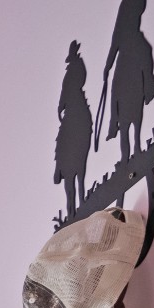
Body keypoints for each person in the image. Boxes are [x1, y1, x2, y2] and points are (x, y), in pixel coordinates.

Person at [102, 0, 154, 157]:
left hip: (134, 38)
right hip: (125, 45)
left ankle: (149, 84)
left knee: (147, 50)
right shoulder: (123, 4)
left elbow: (140, 7)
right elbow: (115, 36)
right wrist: (108, 65)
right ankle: (113, 123)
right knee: (115, 87)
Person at [58, 40, 94, 211]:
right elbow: (64, 91)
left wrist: (64, 103)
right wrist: (60, 105)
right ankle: (59, 168)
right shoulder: (70, 71)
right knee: (62, 138)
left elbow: (76, 83)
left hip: (76, 104)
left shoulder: (78, 66)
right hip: (71, 106)